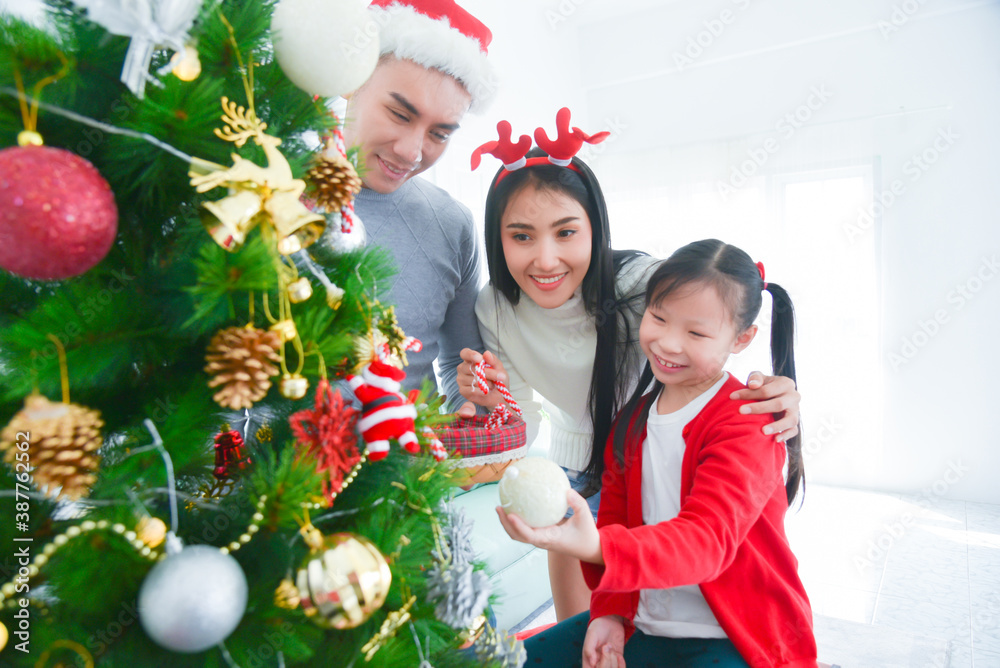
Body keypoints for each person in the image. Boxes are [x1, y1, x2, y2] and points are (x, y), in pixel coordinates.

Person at [455, 122, 802, 622]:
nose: (545, 258)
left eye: (566, 232)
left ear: (595, 228)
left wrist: (780, 388)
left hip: (652, 464)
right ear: (498, 238)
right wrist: (495, 408)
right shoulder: (494, 308)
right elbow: (524, 420)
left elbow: (718, 312)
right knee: (583, 632)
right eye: (521, 236)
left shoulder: (640, 284)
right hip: (573, 477)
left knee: (676, 614)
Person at [496, 238, 816, 667]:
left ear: (742, 339)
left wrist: (599, 548)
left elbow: (706, 541)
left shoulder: (747, 421)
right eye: (658, 317)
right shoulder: (633, 420)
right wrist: (609, 611)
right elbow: (614, 516)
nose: (668, 342)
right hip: (646, 624)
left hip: (735, 637)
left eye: (696, 332)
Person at [335, 0, 496, 408]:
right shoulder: (265, 193)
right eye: (400, 114)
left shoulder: (453, 225)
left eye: (439, 134)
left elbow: (460, 373)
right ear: (353, 81)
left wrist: (472, 409)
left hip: (410, 467)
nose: (411, 152)